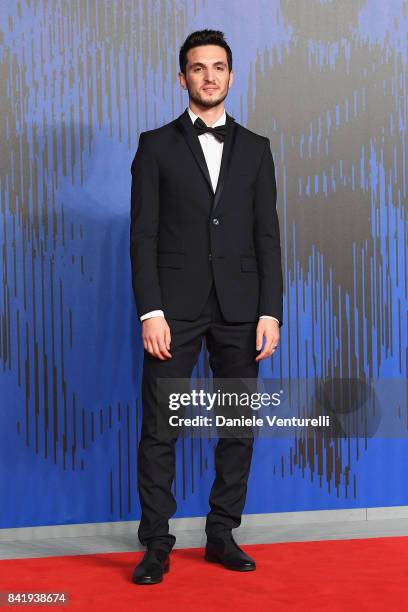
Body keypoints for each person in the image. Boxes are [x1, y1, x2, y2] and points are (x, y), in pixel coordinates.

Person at [129, 29, 283, 584]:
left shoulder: (259, 149)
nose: (209, 76)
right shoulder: (154, 146)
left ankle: (222, 533)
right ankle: (155, 544)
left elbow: (269, 237)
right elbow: (142, 235)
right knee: (159, 429)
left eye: (219, 67)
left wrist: (271, 312)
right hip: (174, 310)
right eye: (198, 68)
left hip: (243, 309)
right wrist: (151, 312)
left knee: (237, 425)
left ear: (231, 76)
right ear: (182, 78)